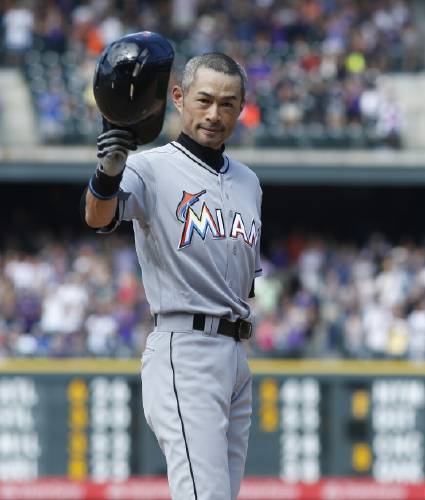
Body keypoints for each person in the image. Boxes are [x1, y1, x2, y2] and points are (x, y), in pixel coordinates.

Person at [84, 53, 263, 500]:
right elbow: (98, 218)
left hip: (236, 353)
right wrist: (107, 175)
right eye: (204, 100)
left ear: (240, 109)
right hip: (186, 347)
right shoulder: (152, 167)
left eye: (227, 104)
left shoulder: (249, 182)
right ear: (179, 98)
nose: (214, 114)